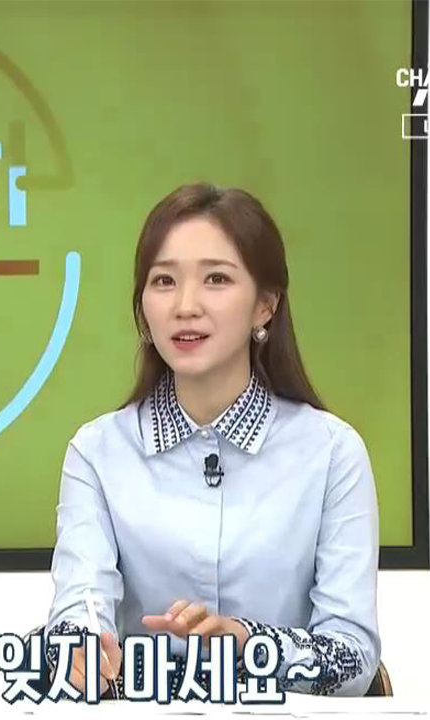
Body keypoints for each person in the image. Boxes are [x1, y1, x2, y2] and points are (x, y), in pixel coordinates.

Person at [44, 182, 380, 697]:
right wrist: (79, 651)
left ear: (265, 305)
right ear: (143, 307)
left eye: (216, 279)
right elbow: (77, 611)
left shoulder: (332, 453)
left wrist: (247, 645)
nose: (185, 305)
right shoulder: (97, 453)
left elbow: (353, 657)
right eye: (164, 281)